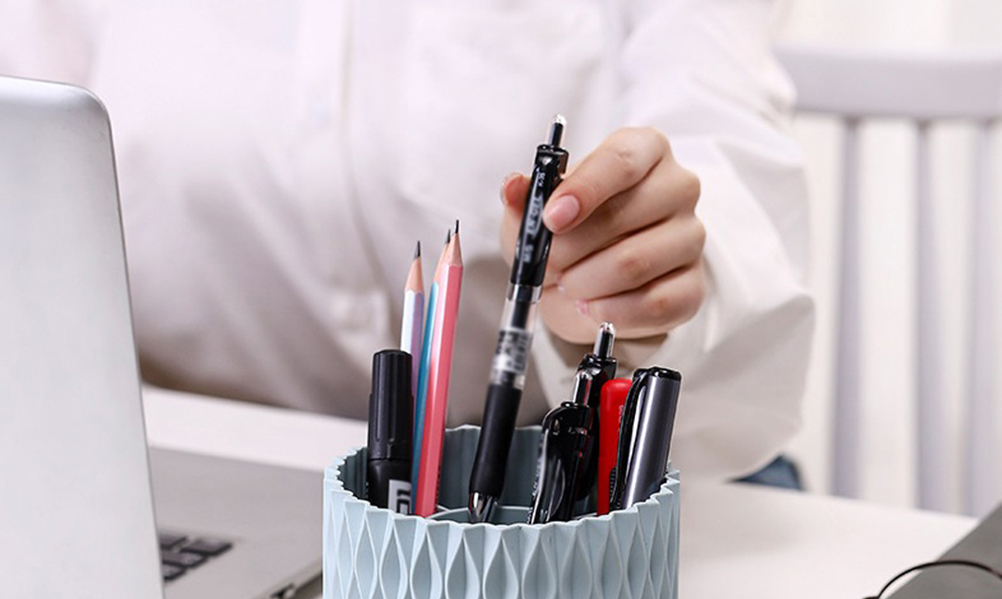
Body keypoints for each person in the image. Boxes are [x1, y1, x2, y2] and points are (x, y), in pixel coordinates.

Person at [2, 0, 813, 482]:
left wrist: (633, 278)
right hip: (186, 468)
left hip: (570, 483)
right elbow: (30, 159)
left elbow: (727, 172)